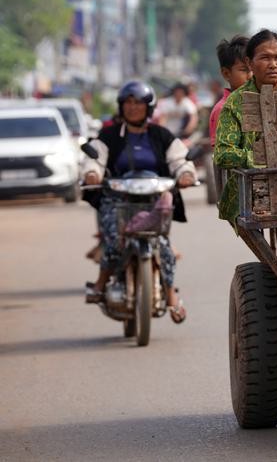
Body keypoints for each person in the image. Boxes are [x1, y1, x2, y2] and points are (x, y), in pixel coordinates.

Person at [82, 81, 197, 323]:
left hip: (154, 201)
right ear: (121, 106)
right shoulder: (109, 135)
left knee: (163, 245)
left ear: (149, 107)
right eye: (128, 103)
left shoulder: (161, 135)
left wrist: (186, 174)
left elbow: (180, 160)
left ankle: (171, 295)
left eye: (138, 103)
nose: (133, 107)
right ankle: (100, 284)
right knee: (114, 242)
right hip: (117, 201)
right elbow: (95, 160)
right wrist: (92, 173)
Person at [214, 29, 277, 228]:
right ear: (250, 63)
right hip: (252, 191)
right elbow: (223, 154)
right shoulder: (235, 103)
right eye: (265, 58)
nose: (273, 64)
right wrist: (262, 159)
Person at [209, 35, 252, 147]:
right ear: (226, 73)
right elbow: (222, 153)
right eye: (244, 70)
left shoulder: (255, 102)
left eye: (253, 69)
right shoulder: (223, 109)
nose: (251, 76)